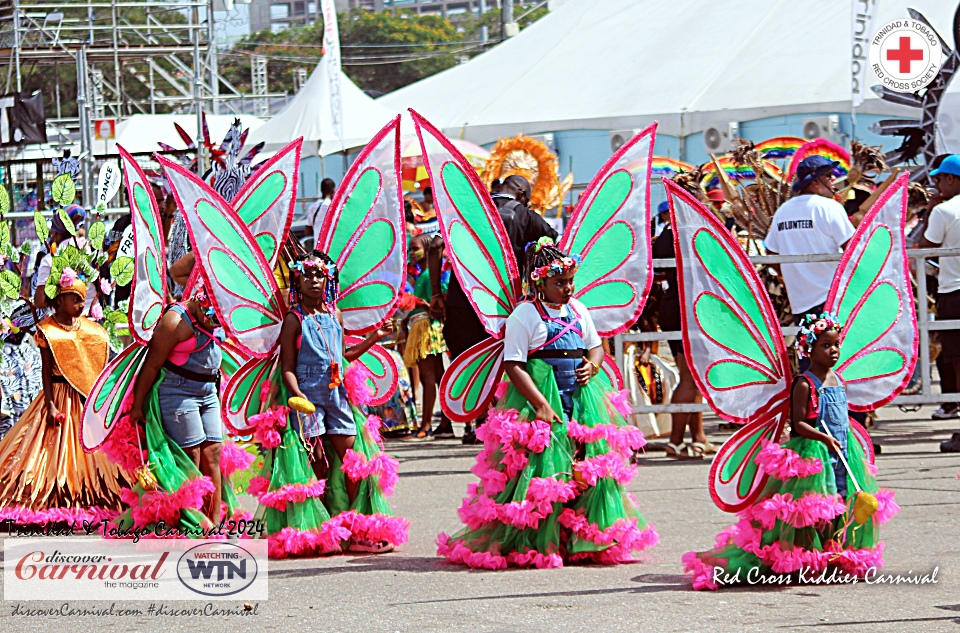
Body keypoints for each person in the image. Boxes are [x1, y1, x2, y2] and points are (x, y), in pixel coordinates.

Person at [437, 238, 657, 568]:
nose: (567, 288)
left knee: (585, 464)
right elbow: (514, 364)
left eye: (570, 282)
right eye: (559, 283)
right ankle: (539, 539)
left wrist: (593, 364)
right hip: (540, 398)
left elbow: (595, 346)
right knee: (544, 472)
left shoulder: (579, 309)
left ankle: (582, 538)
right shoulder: (524, 315)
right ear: (540, 282)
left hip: (582, 397)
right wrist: (539, 403)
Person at [682, 314, 898, 589]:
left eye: (836, 344)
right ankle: (803, 558)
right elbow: (798, 424)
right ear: (809, 349)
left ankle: (831, 555)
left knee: (841, 500)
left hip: (842, 451)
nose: (833, 351)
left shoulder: (838, 380)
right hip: (812, 454)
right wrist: (823, 438)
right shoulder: (805, 384)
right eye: (825, 346)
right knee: (811, 507)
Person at [280, 251, 404, 553]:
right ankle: (322, 531)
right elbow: (286, 366)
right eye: (307, 275)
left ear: (329, 279)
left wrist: (374, 337)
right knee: (317, 465)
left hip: (337, 393)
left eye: (319, 275)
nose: (313, 280)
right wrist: (298, 396)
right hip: (307, 396)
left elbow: (342, 356)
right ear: (298, 280)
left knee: (353, 461)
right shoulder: (294, 320)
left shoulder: (335, 315)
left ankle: (354, 528)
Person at [429, 174, 557, 443]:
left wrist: (436, 293)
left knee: (468, 359)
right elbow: (553, 247)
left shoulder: (469, 210)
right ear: (522, 193)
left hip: (461, 299)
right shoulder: (526, 215)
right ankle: (497, 425)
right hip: (502, 304)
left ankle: (476, 423)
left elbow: (435, 245)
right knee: (505, 361)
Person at [0, 276, 129, 526]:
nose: (81, 305)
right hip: (57, 399)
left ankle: (91, 492)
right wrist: (49, 404)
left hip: (84, 402)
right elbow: (46, 373)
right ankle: (51, 493)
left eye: (83, 300)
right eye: (76, 300)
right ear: (60, 301)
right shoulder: (47, 331)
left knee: (91, 453)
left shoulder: (92, 332)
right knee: (48, 450)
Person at [127, 291, 226, 521]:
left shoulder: (219, 312)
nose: (214, 325)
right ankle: (191, 521)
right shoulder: (174, 321)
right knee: (190, 455)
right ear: (201, 303)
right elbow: (151, 366)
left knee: (213, 455)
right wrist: (137, 405)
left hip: (208, 391)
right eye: (211, 317)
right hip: (177, 391)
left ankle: (215, 522)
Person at [652, 202, 714, 459]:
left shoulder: (669, 231)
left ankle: (698, 437)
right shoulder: (686, 229)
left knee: (692, 374)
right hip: (686, 306)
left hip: (675, 306)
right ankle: (676, 442)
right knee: (691, 375)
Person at [764, 156, 855, 323]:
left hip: (799, 303)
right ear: (814, 182)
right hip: (832, 300)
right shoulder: (830, 207)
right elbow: (855, 248)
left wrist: (791, 277)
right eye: (828, 175)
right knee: (837, 348)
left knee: (808, 349)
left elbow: (770, 252)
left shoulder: (783, 210)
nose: (833, 178)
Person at [918, 154, 960, 451]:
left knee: (957, 361)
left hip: (954, 292)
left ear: (953, 179)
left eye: (941, 178)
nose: (937, 184)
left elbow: (924, 247)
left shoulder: (944, 211)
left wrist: (931, 209)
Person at [402, 243, 453, 440]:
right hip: (419, 325)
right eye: (410, 249)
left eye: (415, 248)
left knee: (428, 378)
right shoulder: (423, 274)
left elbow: (438, 297)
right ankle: (446, 422)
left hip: (426, 328)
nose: (411, 253)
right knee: (439, 377)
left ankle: (426, 425)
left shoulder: (430, 275)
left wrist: (419, 303)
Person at [34, 205, 96, 315]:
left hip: (65, 325)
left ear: (55, 232)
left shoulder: (50, 260)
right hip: (93, 319)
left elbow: (41, 301)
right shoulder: (91, 251)